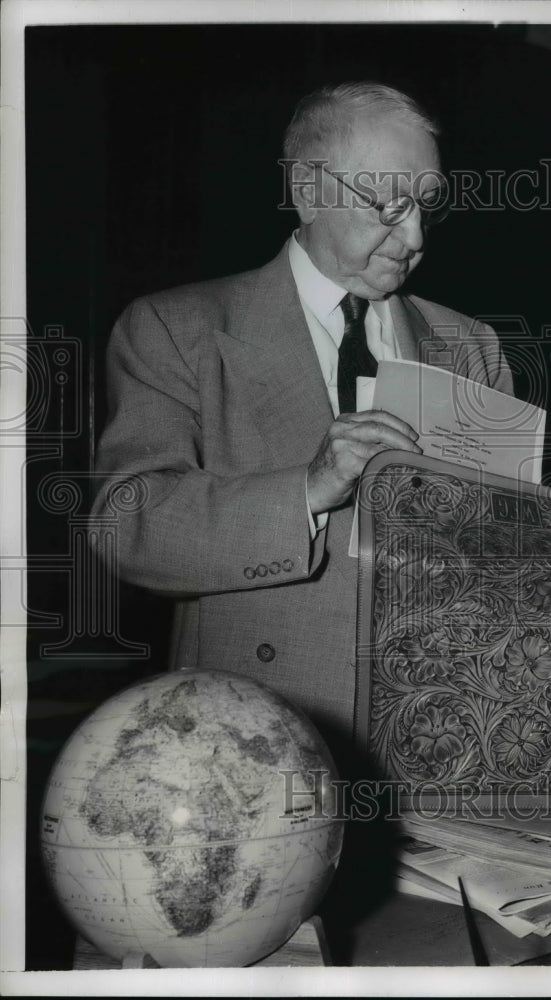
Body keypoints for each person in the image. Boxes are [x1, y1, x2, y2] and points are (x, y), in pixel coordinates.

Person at [91, 82, 513, 751]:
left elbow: (499, 564)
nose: (413, 236)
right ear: (309, 191)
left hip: (434, 732)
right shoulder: (178, 329)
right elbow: (128, 525)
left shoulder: (471, 348)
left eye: (426, 205)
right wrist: (309, 488)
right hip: (247, 740)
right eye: (388, 203)